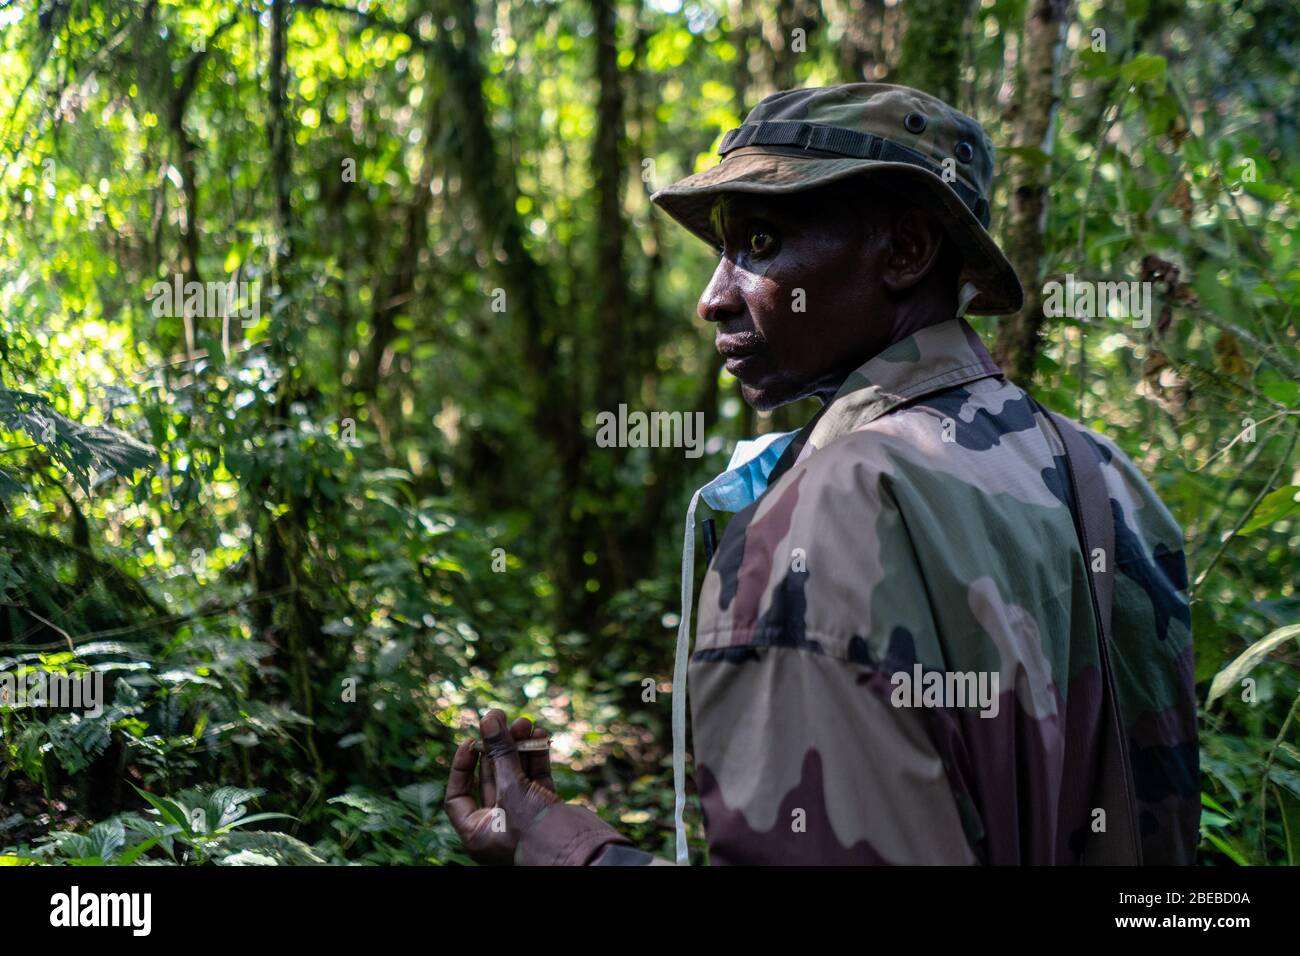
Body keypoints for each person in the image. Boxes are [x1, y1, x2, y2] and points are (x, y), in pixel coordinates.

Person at [444, 83, 1198, 865]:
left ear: (905, 252)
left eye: (762, 244)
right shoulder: (1110, 481)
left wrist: (573, 853)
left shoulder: (824, 513)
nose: (713, 298)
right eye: (721, 252)